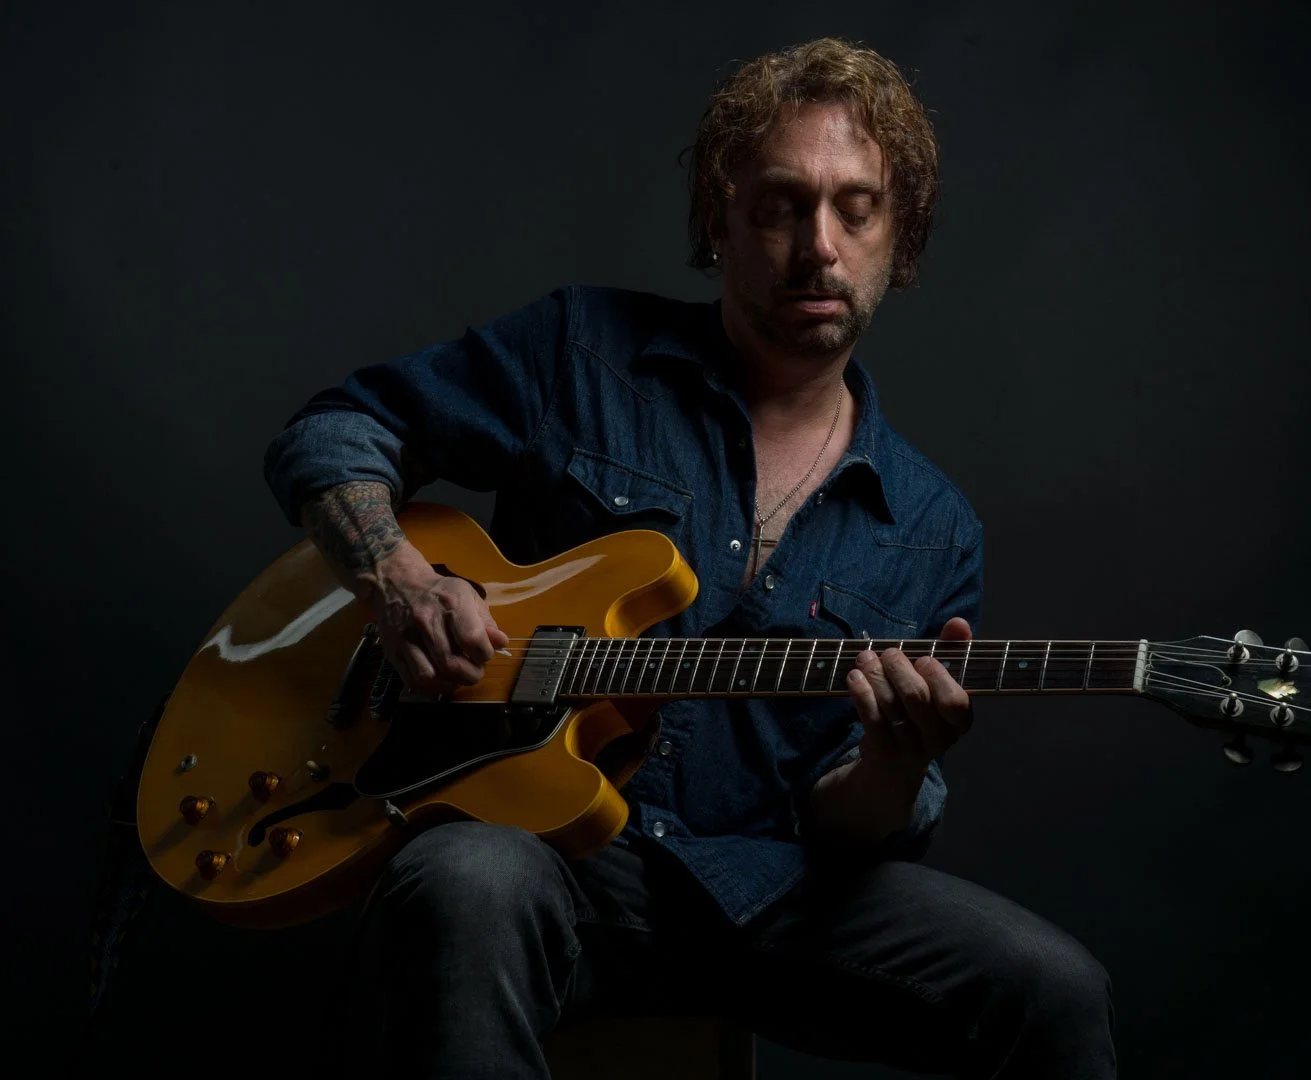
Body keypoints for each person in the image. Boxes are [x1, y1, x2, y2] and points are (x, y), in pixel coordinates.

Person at [263, 36, 1115, 1080]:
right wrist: (395, 576)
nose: (817, 247)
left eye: (857, 207)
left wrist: (895, 761)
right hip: (546, 861)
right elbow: (337, 430)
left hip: (770, 894)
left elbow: (845, 823)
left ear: (904, 235)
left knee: (1053, 990)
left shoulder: (932, 528)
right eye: (778, 204)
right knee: (463, 882)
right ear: (717, 222)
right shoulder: (581, 353)